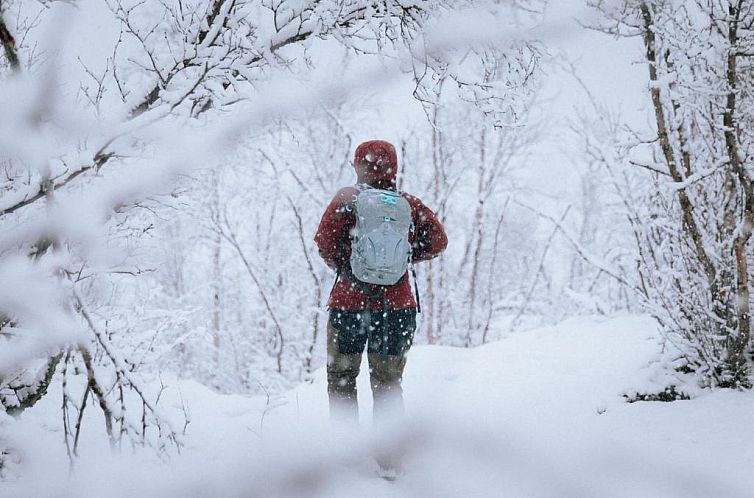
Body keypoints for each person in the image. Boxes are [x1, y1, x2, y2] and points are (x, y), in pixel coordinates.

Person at [314, 140, 448, 428]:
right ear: (394, 167)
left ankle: (345, 450)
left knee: (341, 378)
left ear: (358, 165)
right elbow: (439, 241)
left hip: (348, 306)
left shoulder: (347, 199)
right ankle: (389, 462)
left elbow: (324, 242)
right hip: (396, 309)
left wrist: (348, 265)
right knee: (388, 384)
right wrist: (405, 257)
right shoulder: (408, 205)